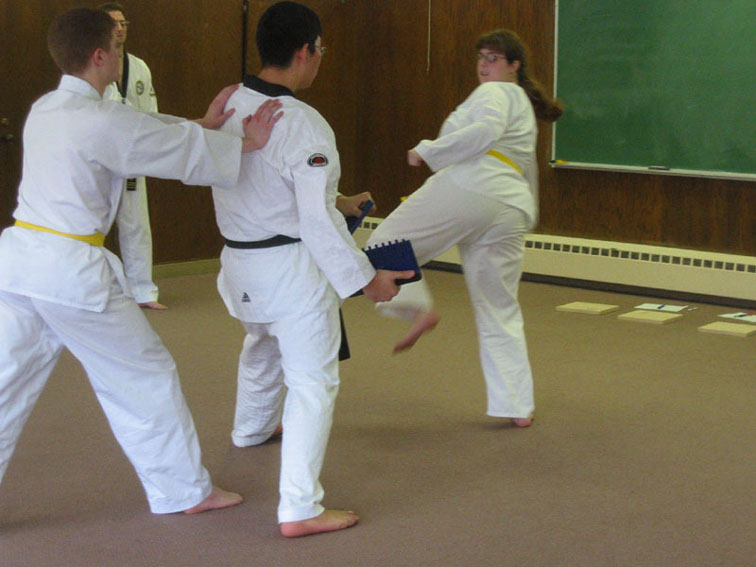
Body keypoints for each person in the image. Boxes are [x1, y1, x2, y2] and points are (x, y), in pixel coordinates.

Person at [0, 8, 282, 515]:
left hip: (20, 266)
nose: (121, 53)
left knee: (6, 383)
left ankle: (183, 488)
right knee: (143, 375)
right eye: (116, 45)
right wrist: (242, 144)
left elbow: (140, 128)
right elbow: (157, 143)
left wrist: (203, 125)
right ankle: (184, 491)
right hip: (71, 276)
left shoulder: (48, 107)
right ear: (100, 55)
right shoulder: (100, 119)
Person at [210, 1, 413, 537]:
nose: (321, 58)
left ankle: (251, 428)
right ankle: (300, 507)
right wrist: (367, 279)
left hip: (239, 263)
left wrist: (339, 200)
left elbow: (267, 182)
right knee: (313, 382)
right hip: (288, 270)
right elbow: (314, 221)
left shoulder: (231, 103)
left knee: (262, 343)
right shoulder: (302, 123)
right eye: (321, 49)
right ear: (305, 51)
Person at [367, 29, 563, 427]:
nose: (484, 66)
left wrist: (428, 149)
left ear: (514, 65)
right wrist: (524, 214)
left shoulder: (497, 92)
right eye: (480, 58)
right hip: (509, 205)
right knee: (500, 308)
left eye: (493, 58)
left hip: (474, 184)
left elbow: (484, 133)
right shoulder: (520, 104)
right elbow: (523, 168)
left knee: (383, 244)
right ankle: (516, 406)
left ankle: (417, 307)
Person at [99, 2, 164, 310]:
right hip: (100, 157)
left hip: (133, 155)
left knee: (137, 224)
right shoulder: (92, 64)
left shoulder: (139, 67)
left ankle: (143, 291)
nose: (120, 28)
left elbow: (151, 113)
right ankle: (91, 289)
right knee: (93, 224)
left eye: (123, 23)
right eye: (113, 23)